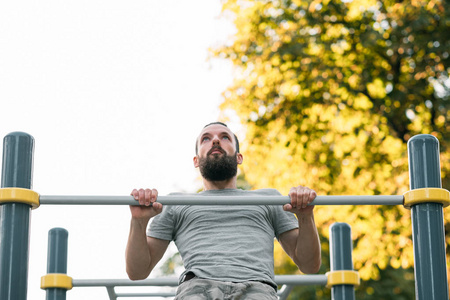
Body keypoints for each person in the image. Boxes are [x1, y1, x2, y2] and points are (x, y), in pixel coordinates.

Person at [125, 122, 321, 300]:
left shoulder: (269, 198)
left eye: (225, 137)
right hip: (197, 289)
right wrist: (138, 222)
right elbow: (137, 272)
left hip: (257, 289)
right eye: (206, 138)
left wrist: (305, 216)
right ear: (196, 160)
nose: (216, 140)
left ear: (239, 157)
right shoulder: (176, 202)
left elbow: (309, 265)